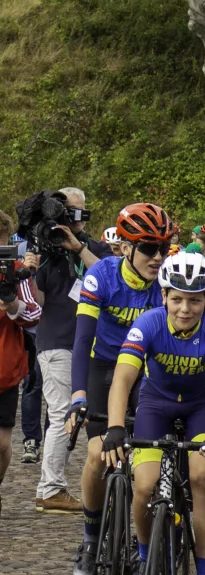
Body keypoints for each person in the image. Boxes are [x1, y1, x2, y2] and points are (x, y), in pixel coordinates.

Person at [103, 251, 205, 575]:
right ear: (164, 297)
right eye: (176, 299)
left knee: (204, 476)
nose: (184, 309)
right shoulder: (148, 323)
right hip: (155, 405)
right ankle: (144, 561)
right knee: (145, 485)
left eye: (194, 300)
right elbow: (123, 377)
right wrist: (113, 427)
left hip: (202, 406)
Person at [65, 203, 173, 575]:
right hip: (105, 368)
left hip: (148, 372)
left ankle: (153, 534)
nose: (158, 257)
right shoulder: (100, 277)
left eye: (164, 246)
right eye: (148, 248)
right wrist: (78, 394)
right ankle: (91, 540)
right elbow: (81, 341)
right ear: (125, 248)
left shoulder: (166, 283)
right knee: (97, 455)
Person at [23, 187, 111, 515]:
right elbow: (39, 302)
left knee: (96, 416)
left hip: (93, 347)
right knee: (62, 412)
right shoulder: (45, 250)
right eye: (64, 212)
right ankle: (51, 488)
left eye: (75, 212)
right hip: (57, 343)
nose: (69, 219)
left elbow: (110, 277)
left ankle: (103, 480)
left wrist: (79, 247)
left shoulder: (95, 247)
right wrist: (31, 273)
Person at [0, 215, 42, 522]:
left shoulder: (15, 272)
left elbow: (35, 313)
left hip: (6, 369)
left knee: (2, 446)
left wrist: (13, 304)